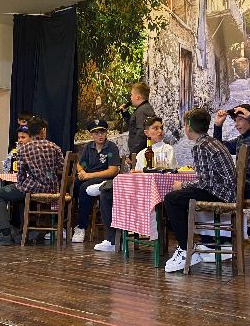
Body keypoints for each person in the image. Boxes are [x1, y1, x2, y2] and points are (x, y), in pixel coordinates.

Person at [162, 108, 236, 273]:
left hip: (220, 193)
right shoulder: (212, 142)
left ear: (188, 127)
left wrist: (182, 185)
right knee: (179, 198)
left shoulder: (200, 146)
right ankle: (192, 245)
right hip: (227, 191)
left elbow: (204, 183)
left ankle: (186, 249)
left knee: (172, 199)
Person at [92, 116, 176, 252]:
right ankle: (111, 240)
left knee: (109, 187)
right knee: (106, 195)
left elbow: (168, 171)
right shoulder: (142, 154)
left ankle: (105, 185)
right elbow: (137, 176)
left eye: (161, 128)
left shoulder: (167, 149)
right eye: (155, 128)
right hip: (140, 191)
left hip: (156, 193)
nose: (160, 131)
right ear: (146, 133)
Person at [0, 116, 64, 245]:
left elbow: (21, 175)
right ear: (43, 130)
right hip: (52, 188)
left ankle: (5, 234)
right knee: (20, 194)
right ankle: (27, 230)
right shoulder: (54, 147)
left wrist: (21, 185)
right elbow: (62, 168)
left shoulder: (23, 149)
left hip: (32, 188)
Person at [71, 119, 120, 243]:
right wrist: (81, 172)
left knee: (84, 188)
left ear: (106, 133)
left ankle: (81, 226)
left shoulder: (111, 147)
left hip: (104, 179)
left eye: (102, 132)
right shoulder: (89, 147)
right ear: (91, 135)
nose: (100, 135)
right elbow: (81, 164)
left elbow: (113, 171)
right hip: (89, 176)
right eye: (96, 133)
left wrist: (89, 175)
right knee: (72, 185)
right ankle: (68, 225)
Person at [0, 117, 31, 237]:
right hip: (15, 180)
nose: (20, 140)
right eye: (19, 138)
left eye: (23, 137)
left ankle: (14, 227)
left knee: (5, 192)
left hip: (28, 184)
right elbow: (6, 168)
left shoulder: (33, 150)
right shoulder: (14, 151)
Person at [213, 104, 250, 200]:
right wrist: (218, 126)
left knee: (219, 187)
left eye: (240, 119)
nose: (236, 124)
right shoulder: (240, 140)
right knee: (214, 185)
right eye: (235, 120)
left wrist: (249, 115)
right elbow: (219, 148)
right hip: (240, 185)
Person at [119, 82, 156, 155]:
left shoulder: (142, 111)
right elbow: (133, 126)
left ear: (137, 97)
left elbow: (141, 134)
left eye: (131, 95)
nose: (130, 98)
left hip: (141, 153)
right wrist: (125, 113)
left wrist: (133, 153)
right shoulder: (143, 109)